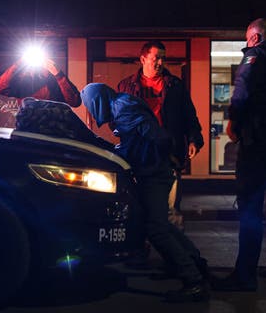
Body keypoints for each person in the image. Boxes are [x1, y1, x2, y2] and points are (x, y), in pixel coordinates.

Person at [81, 83, 209, 303]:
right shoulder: (121, 104)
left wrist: (154, 159)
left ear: (97, 100)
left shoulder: (123, 108)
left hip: (155, 174)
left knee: (155, 229)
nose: (92, 110)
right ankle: (194, 265)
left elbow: (155, 137)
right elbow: (138, 139)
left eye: (90, 105)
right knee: (162, 224)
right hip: (155, 171)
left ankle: (194, 281)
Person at [213, 18, 266, 291]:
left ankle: (245, 275)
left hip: (256, 142)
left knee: (250, 207)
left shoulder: (255, 56)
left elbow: (242, 92)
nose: (246, 43)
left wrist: (234, 122)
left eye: (247, 38)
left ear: (255, 37)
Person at [117, 41, 203, 214]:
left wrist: (194, 139)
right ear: (143, 59)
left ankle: (171, 240)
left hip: (168, 153)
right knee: (139, 207)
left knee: (171, 210)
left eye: (163, 58)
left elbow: (188, 115)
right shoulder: (126, 86)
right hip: (139, 154)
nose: (161, 63)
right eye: (156, 58)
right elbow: (117, 118)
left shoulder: (175, 85)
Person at [0, 57, 82, 108]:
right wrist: (19, 62)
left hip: (53, 128)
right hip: (29, 129)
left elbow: (75, 102)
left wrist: (58, 74)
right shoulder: (23, 82)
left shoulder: (56, 80)